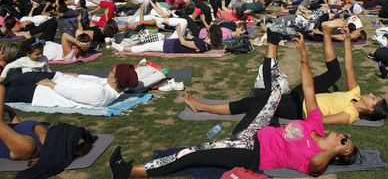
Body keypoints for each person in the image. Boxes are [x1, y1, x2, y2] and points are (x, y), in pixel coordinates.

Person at [109, 31, 358, 177]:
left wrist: (335, 151)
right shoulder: (316, 125)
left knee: (193, 154)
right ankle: (272, 40)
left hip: (252, 153)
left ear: (343, 150)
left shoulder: (318, 158)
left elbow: (315, 167)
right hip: (258, 132)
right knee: (270, 95)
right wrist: (303, 56)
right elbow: (309, 89)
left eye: (345, 140)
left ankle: (132, 172)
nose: (342, 135)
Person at [185, 19, 388, 124]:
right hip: (305, 94)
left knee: (257, 102)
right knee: (335, 74)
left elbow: (318, 120)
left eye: (374, 99)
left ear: (371, 109)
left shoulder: (351, 114)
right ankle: (326, 31)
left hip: (298, 108)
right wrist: (345, 42)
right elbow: (349, 67)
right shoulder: (356, 94)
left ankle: (202, 107)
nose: (371, 94)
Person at [0, 80, 95, 172]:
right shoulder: (43, 132)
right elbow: (18, 128)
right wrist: (10, 111)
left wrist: (1, 90)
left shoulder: (28, 148)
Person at [2, 63, 138, 108]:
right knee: (20, 78)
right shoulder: (109, 85)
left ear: (115, 80)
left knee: (6, 93)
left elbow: (71, 93)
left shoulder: (102, 95)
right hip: (58, 77)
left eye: (111, 71)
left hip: (42, 92)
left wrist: (50, 84)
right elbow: (95, 79)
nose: (108, 72)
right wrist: (76, 75)